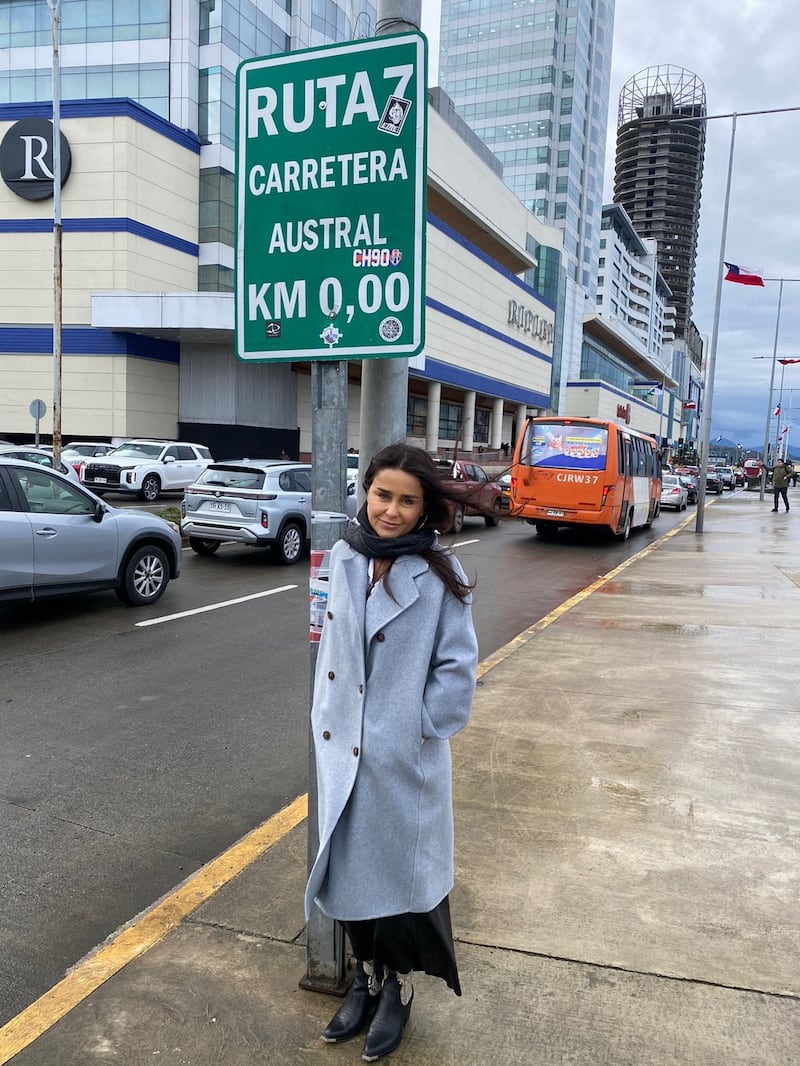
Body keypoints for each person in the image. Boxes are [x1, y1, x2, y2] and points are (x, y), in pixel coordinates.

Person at [305, 443, 479, 1063]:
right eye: (384, 495)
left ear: (425, 506)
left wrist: (418, 726)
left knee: (401, 889)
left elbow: (457, 667)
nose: (392, 510)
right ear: (366, 492)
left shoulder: (438, 574)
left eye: (408, 500)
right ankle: (366, 978)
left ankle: (397, 990)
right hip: (343, 751)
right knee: (348, 875)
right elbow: (324, 639)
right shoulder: (344, 557)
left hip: (403, 761)